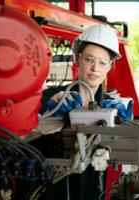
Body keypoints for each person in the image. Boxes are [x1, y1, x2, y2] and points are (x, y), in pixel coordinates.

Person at [38, 24, 121, 200]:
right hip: (55, 186)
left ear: (110, 66)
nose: (95, 68)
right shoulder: (51, 98)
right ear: (77, 59)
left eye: (102, 62)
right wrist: (50, 113)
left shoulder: (112, 108)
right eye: (89, 59)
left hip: (93, 186)